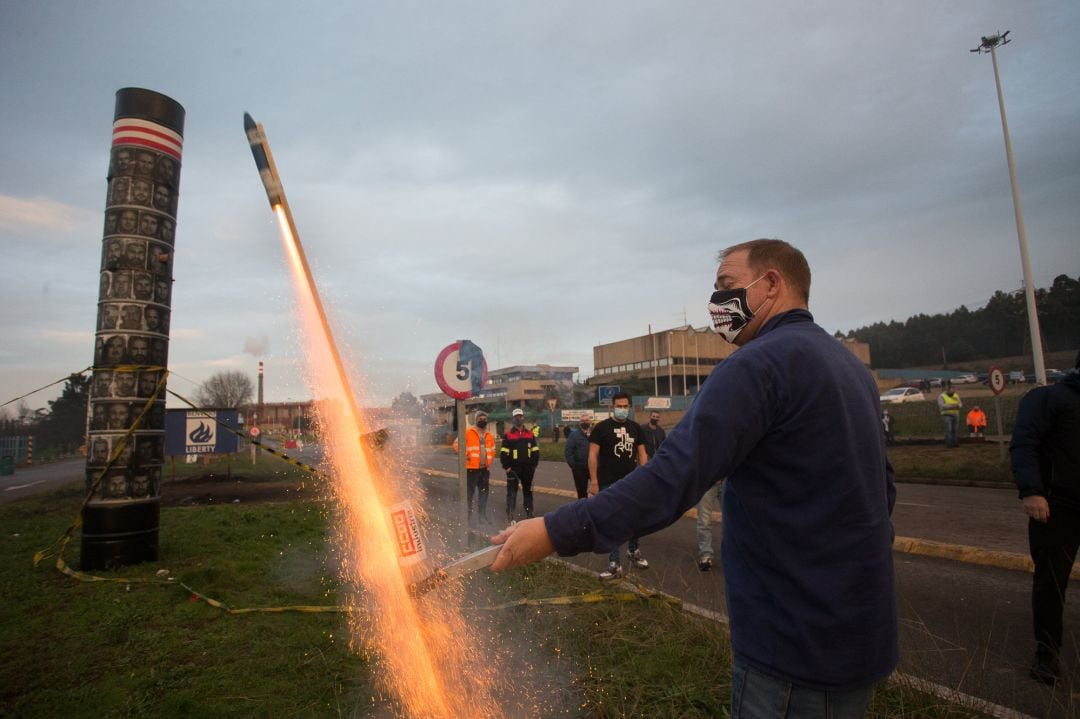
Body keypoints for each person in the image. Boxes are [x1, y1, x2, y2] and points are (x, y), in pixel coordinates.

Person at [491, 239, 898, 714]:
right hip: (858, 639)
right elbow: (882, 489)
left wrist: (554, 530)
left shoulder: (756, 366)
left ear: (771, 284)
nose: (717, 303)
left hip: (790, 651)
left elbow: (670, 480)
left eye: (727, 286)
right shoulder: (849, 367)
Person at [1010, 351, 1080, 685]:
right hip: (1057, 507)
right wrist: (1032, 491)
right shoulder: (1050, 399)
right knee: (1052, 583)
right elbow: (1024, 444)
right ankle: (1046, 656)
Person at [587, 392, 650, 580]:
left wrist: (644, 477)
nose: (622, 409)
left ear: (629, 407)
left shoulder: (636, 428)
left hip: (631, 482)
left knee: (634, 519)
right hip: (607, 482)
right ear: (611, 407)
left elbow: (643, 455)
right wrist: (594, 482)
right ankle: (615, 563)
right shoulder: (601, 428)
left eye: (625, 406)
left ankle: (633, 551)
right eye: (619, 406)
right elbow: (592, 456)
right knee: (611, 521)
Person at [453, 411, 496, 525]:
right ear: (476, 420)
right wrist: (467, 455)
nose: (483, 420)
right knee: (469, 494)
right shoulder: (468, 432)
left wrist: (489, 461)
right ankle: (467, 518)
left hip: (484, 470)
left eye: (485, 419)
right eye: (480, 418)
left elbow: (493, 449)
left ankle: (482, 516)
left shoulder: (489, 435)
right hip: (471, 469)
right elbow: (456, 445)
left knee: (484, 493)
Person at [499, 408, 539, 522]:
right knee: (512, 493)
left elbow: (535, 451)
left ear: (523, 417)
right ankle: (510, 514)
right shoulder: (508, 435)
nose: (518, 418)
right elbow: (504, 453)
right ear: (513, 419)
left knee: (528, 492)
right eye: (516, 416)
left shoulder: (530, 434)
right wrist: (507, 467)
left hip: (528, 470)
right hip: (513, 469)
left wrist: (533, 465)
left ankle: (529, 512)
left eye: (520, 416)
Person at [695, 480, 723, 571]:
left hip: (728, 481)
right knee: (704, 521)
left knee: (732, 521)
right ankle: (705, 556)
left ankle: (733, 555)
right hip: (707, 482)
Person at [563, 416, 592, 499]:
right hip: (579, 468)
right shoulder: (574, 435)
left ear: (590, 422)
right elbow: (568, 451)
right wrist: (574, 466)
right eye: (582, 421)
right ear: (579, 423)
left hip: (593, 467)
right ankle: (582, 509)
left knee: (598, 489)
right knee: (581, 491)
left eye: (586, 420)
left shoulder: (595, 434)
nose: (585, 422)